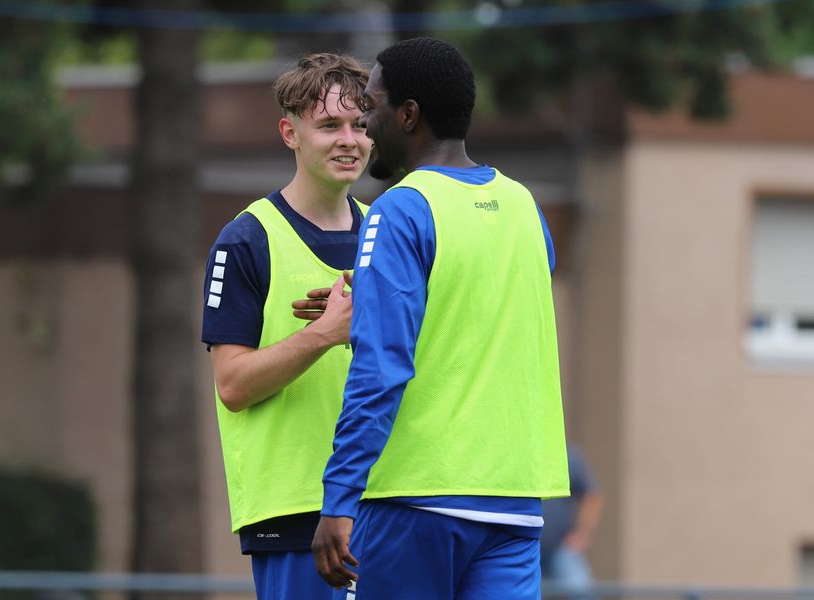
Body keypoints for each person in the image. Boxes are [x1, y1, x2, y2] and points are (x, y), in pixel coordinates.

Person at [310, 37, 570, 599]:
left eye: (371, 105)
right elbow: (485, 306)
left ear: (408, 115)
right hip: (514, 500)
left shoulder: (401, 208)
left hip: (415, 498)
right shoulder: (525, 206)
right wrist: (378, 289)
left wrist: (339, 498)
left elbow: (380, 367)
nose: (364, 122)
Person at [200, 53, 371, 600]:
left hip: (387, 502)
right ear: (289, 133)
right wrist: (324, 333)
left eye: (360, 125)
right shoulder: (246, 239)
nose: (350, 140)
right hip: (297, 514)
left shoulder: (387, 232)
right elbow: (232, 384)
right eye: (330, 125)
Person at [541, 445, 604, 590]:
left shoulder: (566, 456)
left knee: (580, 591)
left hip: (562, 547)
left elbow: (592, 496)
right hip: (528, 545)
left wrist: (582, 534)